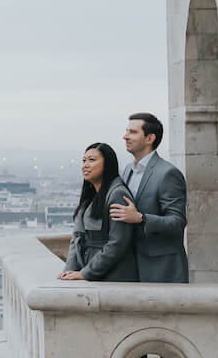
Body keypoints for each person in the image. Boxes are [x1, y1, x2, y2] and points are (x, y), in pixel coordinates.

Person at [109, 111, 191, 283]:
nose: (125, 136)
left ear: (150, 138)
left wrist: (141, 218)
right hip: (131, 268)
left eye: (133, 132)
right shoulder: (128, 170)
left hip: (162, 269)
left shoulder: (168, 173)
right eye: (126, 131)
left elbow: (177, 222)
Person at [58, 142, 139, 282]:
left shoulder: (117, 195)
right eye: (84, 161)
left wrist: (86, 273)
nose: (85, 165)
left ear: (107, 164)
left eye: (92, 160)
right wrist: (69, 270)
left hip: (114, 274)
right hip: (93, 270)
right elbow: (77, 237)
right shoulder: (91, 195)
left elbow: (118, 243)